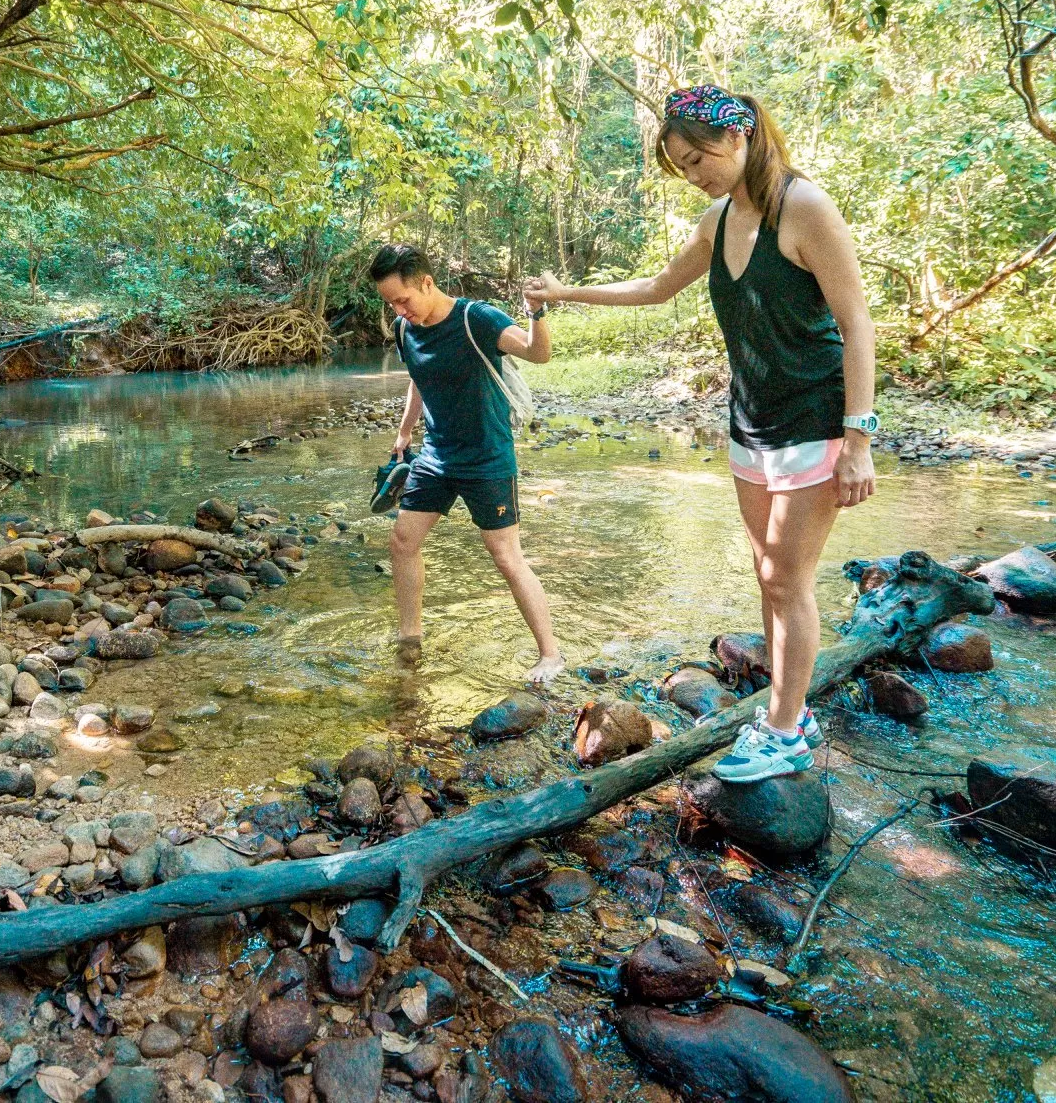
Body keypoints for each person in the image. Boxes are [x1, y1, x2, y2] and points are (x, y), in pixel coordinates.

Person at [525, 85, 878, 781]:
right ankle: (788, 707)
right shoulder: (718, 221)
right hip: (750, 423)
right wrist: (565, 294)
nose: (695, 174)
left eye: (700, 157)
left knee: (787, 578)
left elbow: (857, 322)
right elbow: (657, 287)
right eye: (682, 167)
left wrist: (859, 438)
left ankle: (783, 731)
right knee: (767, 576)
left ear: (741, 135)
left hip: (814, 420)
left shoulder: (804, 208)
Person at [370, 244, 568, 682]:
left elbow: (538, 354)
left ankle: (551, 654)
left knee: (505, 556)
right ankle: (410, 637)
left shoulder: (475, 318)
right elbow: (418, 381)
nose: (399, 311)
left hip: (486, 458)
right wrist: (405, 431)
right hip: (437, 456)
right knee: (403, 540)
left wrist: (537, 313)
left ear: (426, 282)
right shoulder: (407, 330)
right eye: (390, 304)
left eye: (403, 300)